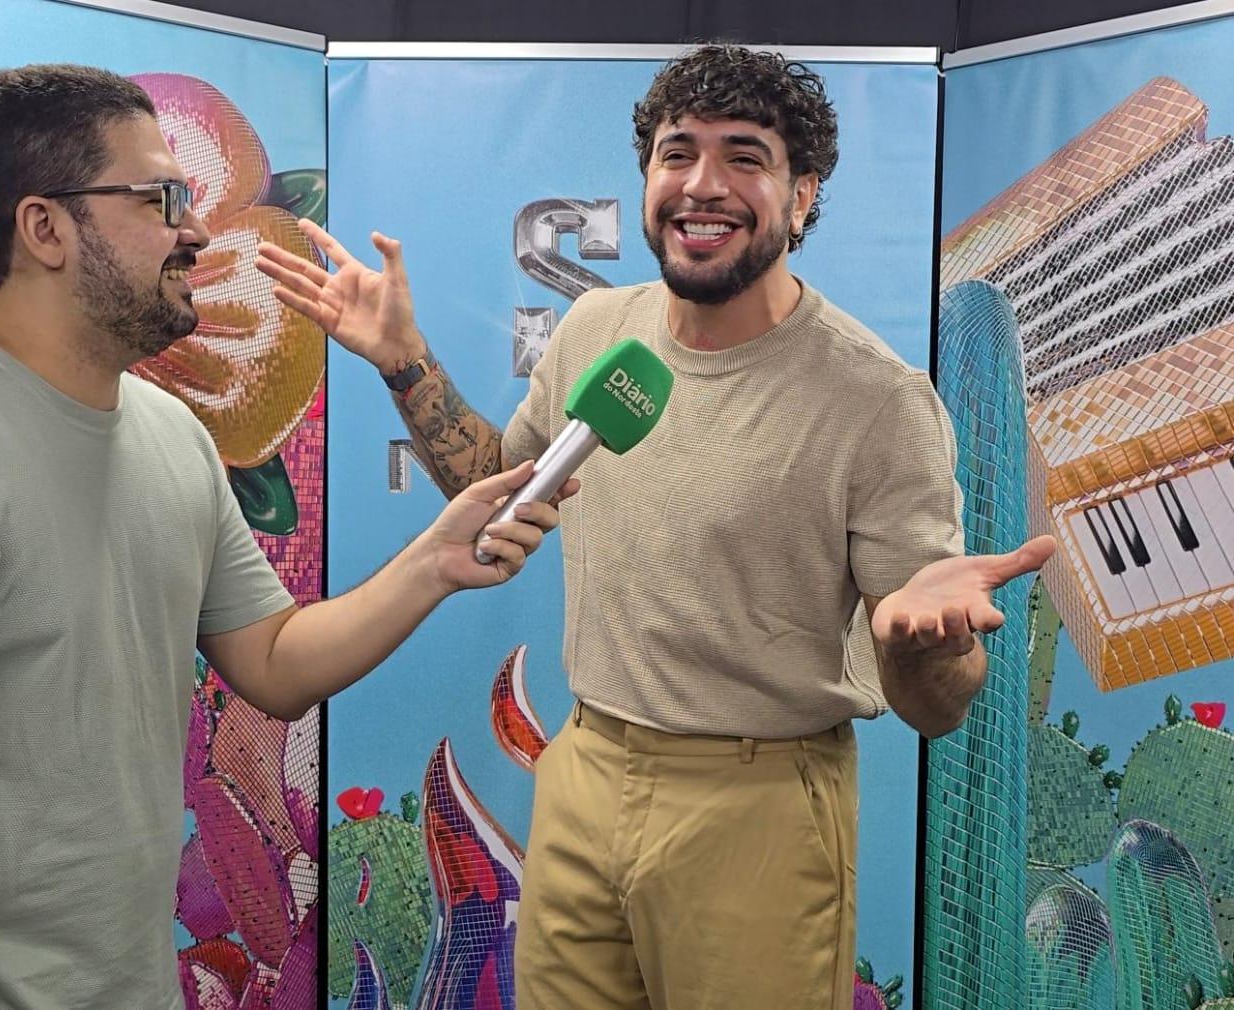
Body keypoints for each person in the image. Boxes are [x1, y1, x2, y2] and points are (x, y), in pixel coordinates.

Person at [256, 43, 1055, 1010]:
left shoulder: (877, 400)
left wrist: (922, 644)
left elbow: (937, 707)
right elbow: (497, 495)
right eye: (678, 154)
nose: (701, 185)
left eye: (744, 157)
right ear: (646, 179)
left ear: (802, 195)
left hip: (759, 806)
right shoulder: (597, 330)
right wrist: (403, 360)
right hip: (585, 770)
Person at [0, 63, 569, 1010]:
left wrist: (433, 562)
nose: (198, 230)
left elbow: (272, 659)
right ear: (44, 228)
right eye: (162, 199)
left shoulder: (172, 435)